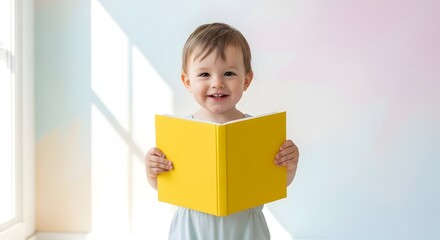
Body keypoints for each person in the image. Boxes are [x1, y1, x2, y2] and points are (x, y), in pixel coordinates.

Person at [145, 22, 299, 240]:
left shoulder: (257, 131)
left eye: (228, 73)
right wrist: (152, 170)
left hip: (245, 228)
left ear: (246, 80)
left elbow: (275, 181)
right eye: (204, 74)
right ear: (187, 81)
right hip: (192, 229)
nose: (217, 83)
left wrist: (290, 166)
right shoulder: (180, 133)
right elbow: (164, 182)